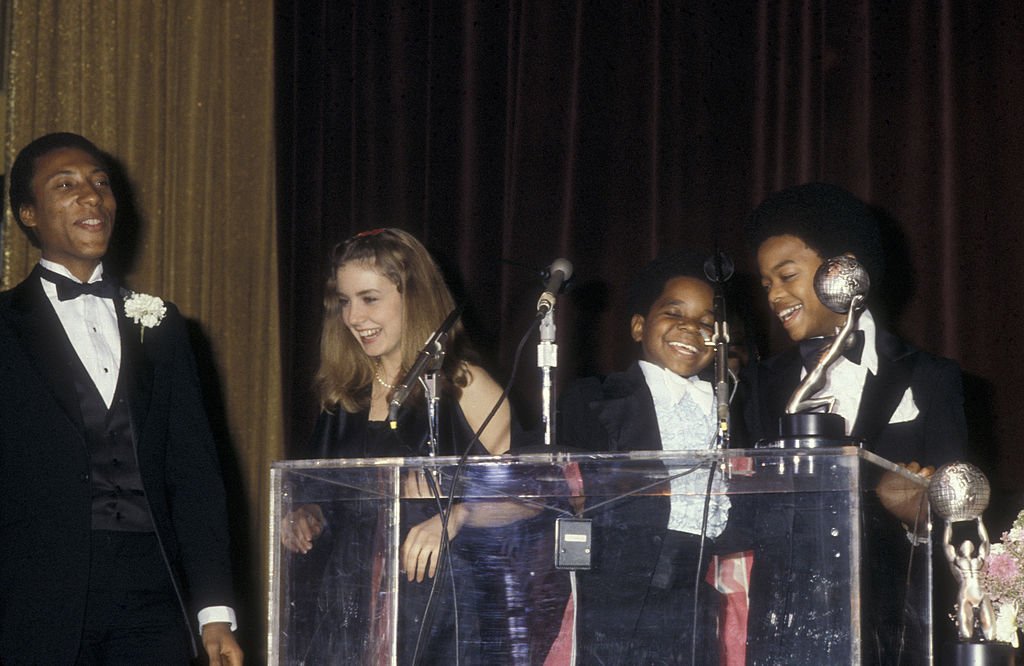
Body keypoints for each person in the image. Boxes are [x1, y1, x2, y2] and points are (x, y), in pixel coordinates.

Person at [0, 132, 242, 664]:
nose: (92, 196)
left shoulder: (163, 324)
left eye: (101, 183)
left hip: (154, 592)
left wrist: (215, 615)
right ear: (28, 214)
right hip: (34, 604)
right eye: (66, 184)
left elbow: (195, 476)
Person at [740, 182, 967, 663]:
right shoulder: (758, 383)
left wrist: (921, 517)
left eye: (786, 276)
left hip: (893, 634)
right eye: (767, 285)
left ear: (842, 273)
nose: (775, 297)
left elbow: (963, 525)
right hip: (785, 633)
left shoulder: (931, 377)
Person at [279, 228, 513, 662]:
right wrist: (305, 515)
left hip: (443, 610)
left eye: (369, 299)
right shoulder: (343, 396)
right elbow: (323, 497)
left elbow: (529, 497)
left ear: (415, 297)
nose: (353, 316)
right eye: (345, 302)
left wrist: (457, 515)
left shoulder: (466, 386)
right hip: (349, 610)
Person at [555, 250, 729, 664]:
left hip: (696, 591)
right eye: (674, 313)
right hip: (618, 597)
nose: (692, 328)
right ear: (639, 327)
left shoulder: (730, 400)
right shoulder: (595, 396)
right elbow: (563, 481)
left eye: (707, 322)